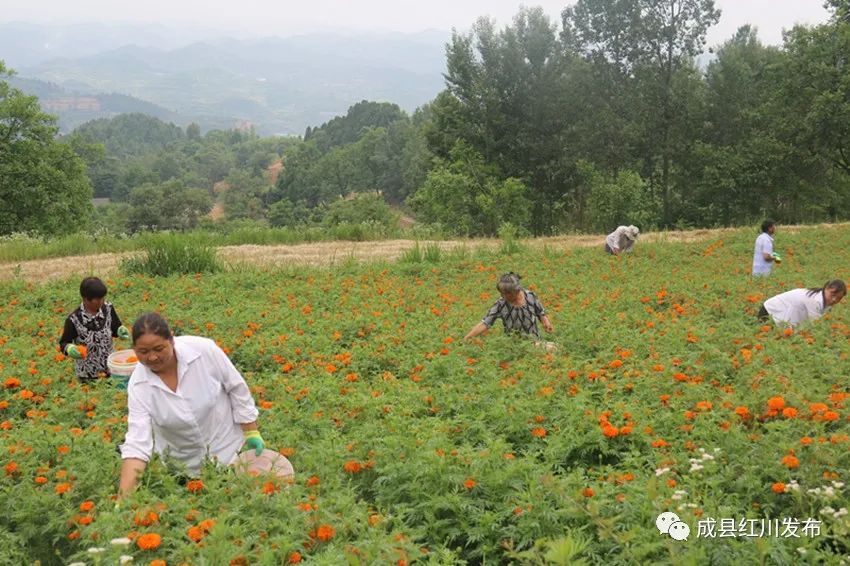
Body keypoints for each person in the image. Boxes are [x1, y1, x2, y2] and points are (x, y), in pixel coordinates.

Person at [118, 312, 265, 496]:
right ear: (134, 349)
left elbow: (235, 388)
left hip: (229, 451)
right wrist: (123, 500)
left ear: (171, 339)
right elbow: (137, 443)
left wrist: (251, 431)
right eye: (143, 352)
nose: (152, 358)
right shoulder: (139, 386)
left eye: (158, 348)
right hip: (182, 465)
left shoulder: (203, 351)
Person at [59, 277, 130, 382]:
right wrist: (69, 348)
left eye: (103, 298)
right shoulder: (74, 319)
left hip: (110, 370)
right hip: (87, 375)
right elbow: (64, 343)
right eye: (98, 299)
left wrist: (120, 330)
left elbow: (115, 327)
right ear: (86, 299)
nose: (102, 302)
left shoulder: (108, 308)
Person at [464, 272, 553, 341]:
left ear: (518, 290)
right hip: (513, 344)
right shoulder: (500, 304)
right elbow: (485, 323)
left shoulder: (530, 296)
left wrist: (546, 322)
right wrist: (466, 339)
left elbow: (540, 312)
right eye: (502, 293)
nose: (505, 296)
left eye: (508, 293)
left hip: (534, 340)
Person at [758, 279, 846, 327]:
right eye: (832, 294)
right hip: (769, 313)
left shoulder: (824, 302)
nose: (834, 299)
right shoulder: (814, 300)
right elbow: (817, 326)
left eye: (838, 298)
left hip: (781, 315)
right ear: (826, 288)